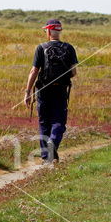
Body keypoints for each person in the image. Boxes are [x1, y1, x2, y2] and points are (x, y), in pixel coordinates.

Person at [24, 19, 78, 163]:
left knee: (44, 123)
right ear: (59, 31)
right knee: (59, 122)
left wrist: (28, 91)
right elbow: (74, 72)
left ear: (48, 31)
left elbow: (34, 71)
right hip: (61, 91)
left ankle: (46, 157)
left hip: (43, 91)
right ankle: (52, 144)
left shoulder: (41, 47)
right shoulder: (69, 48)